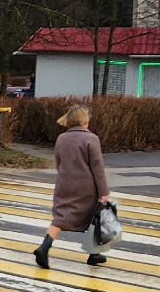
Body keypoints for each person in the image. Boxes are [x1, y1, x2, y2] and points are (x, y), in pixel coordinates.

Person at [35, 104, 110, 269]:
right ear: (84, 120)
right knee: (94, 218)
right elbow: (97, 168)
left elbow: (59, 162)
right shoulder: (91, 139)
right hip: (86, 187)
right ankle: (94, 254)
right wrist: (104, 192)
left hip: (64, 184)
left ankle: (44, 247)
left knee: (60, 219)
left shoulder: (61, 138)